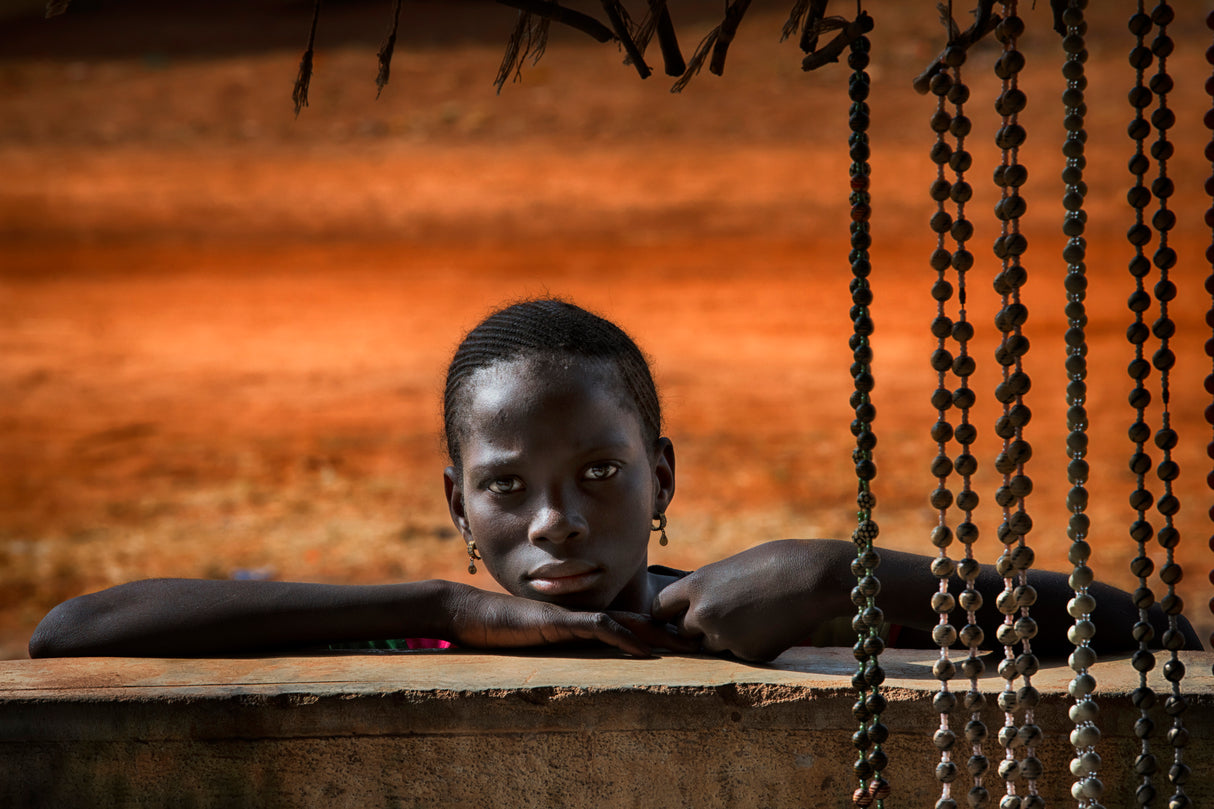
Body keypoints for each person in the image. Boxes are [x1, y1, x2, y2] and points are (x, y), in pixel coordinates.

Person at [28, 299, 1197, 661]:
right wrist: (444, 607)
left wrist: (840, 573)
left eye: (598, 471)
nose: (555, 521)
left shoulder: (768, 634)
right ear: (455, 507)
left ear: (661, 472)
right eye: (504, 488)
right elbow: (73, 630)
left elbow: (1150, 633)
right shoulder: (409, 639)